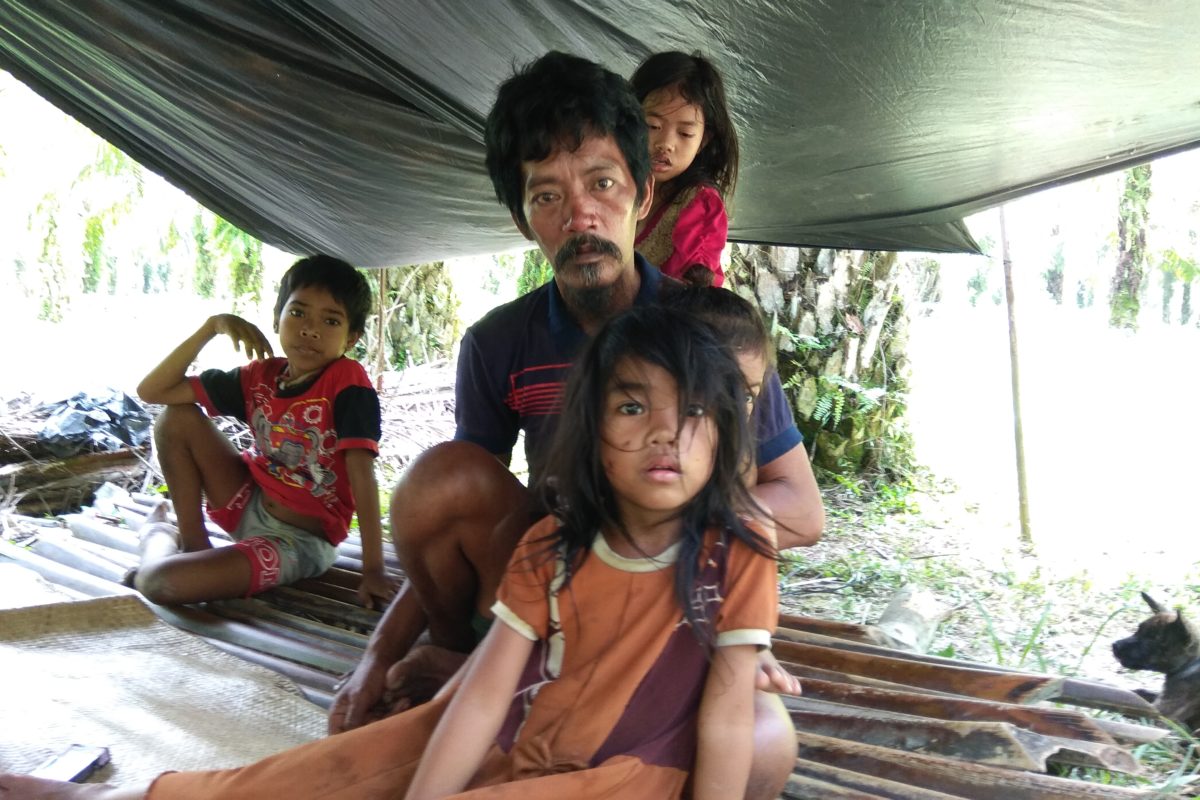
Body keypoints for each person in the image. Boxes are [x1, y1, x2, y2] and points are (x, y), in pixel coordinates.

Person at [0, 306, 785, 800]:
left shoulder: (737, 554)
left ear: (725, 438)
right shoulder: (553, 543)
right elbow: (482, 698)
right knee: (328, 770)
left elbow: (721, 722)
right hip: (518, 734)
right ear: (590, 433)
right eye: (630, 405)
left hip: (615, 778)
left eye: (695, 413)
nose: (662, 433)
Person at [331, 51, 823, 800]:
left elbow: (800, 507)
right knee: (438, 479)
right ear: (521, 215)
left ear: (644, 189)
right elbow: (464, 507)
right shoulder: (500, 343)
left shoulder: (705, 333)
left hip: (672, 592)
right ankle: (479, 660)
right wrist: (374, 655)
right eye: (548, 196)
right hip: (549, 589)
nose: (581, 216)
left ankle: (483, 682)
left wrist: (693, 562)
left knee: (759, 749)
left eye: (601, 184)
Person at [130, 254, 395, 609]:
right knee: (176, 418)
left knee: (158, 582)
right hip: (245, 502)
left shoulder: (348, 382)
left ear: (351, 339)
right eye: (298, 313)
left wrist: (373, 569)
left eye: (331, 320)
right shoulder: (260, 377)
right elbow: (153, 391)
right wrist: (212, 327)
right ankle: (193, 544)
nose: (310, 329)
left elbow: (362, 475)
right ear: (277, 317)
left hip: (294, 543)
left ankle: (156, 537)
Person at [632, 51, 738, 288]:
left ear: (703, 141)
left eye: (685, 133)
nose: (665, 144)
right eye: (653, 125)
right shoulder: (614, 186)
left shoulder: (700, 206)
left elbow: (690, 302)